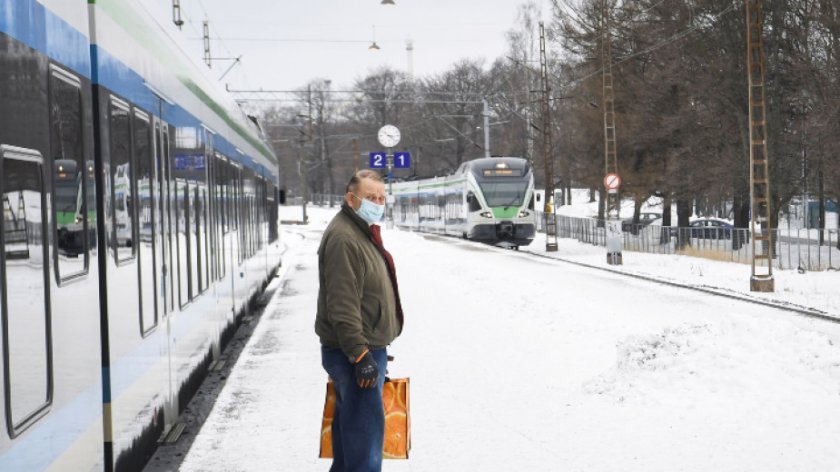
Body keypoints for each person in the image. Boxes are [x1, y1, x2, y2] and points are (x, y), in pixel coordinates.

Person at [315, 169, 404, 472]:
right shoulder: (344, 238)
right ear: (351, 198)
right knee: (364, 451)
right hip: (355, 356)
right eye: (370, 197)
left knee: (351, 443)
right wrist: (361, 354)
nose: (377, 203)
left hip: (361, 351)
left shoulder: (358, 231)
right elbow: (342, 303)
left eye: (381, 197)